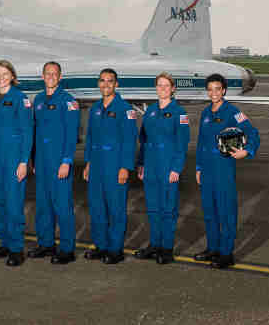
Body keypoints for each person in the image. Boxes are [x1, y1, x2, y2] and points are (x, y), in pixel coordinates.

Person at [194, 73, 260, 269]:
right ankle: (213, 249)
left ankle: (226, 253)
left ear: (223, 90)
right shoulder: (206, 113)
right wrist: (198, 167)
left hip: (223, 168)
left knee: (226, 212)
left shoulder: (233, 111)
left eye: (217, 89)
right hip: (207, 170)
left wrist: (247, 151)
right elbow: (200, 143)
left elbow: (252, 133)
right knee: (209, 213)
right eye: (210, 89)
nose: (213, 92)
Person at [82, 68, 138, 264]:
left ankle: (115, 249)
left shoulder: (125, 109)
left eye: (110, 81)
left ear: (116, 84)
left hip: (115, 166)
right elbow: (89, 138)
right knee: (97, 207)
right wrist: (88, 163)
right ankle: (101, 245)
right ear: (99, 83)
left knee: (115, 209)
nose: (106, 84)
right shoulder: (95, 108)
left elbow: (130, 141)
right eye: (102, 81)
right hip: (96, 165)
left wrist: (125, 167)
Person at [133, 72, 189, 265]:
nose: (163, 89)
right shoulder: (150, 111)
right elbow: (144, 140)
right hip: (150, 166)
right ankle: (154, 245)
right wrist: (140, 164)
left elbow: (182, 144)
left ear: (173, 89)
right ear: (156, 88)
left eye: (166, 86)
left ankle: (166, 249)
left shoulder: (179, 113)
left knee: (168, 210)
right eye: (159, 85)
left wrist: (176, 168)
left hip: (167, 167)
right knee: (153, 209)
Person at [29, 62, 80, 265]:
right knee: (43, 205)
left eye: (54, 74)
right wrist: (33, 158)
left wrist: (67, 161)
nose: (51, 76)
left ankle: (67, 249)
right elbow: (35, 131)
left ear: (60, 77)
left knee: (62, 206)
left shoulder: (68, 101)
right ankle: (46, 243)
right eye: (47, 73)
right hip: (41, 161)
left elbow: (71, 134)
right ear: (43, 76)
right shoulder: (39, 99)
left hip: (59, 161)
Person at [0, 60, 33, 267]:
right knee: (1, 203)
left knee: (14, 205)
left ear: (12, 76)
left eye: (5, 74)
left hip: (14, 158)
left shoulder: (20, 99)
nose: (1, 77)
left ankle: (16, 248)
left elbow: (27, 132)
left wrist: (23, 161)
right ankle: (5, 243)